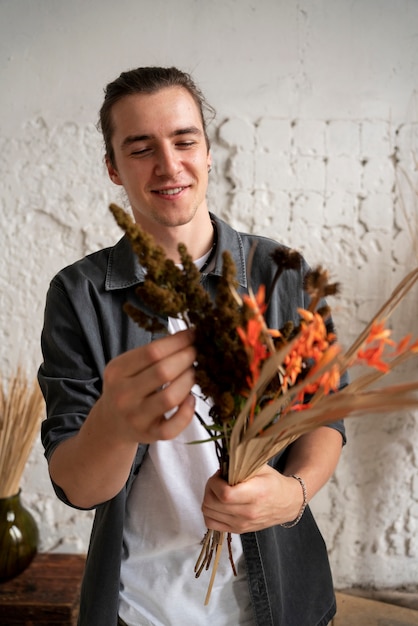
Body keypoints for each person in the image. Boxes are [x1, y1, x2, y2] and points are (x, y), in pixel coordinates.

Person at [38, 66, 346, 626]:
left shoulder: (281, 274)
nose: (169, 164)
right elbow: (76, 486)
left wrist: (293, 493)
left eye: (184, 140)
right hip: (138, 608)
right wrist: (114, 422)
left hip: (282, 605)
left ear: (207, 151)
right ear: (112, 168)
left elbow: (327, 412)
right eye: (140, 148)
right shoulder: (77, 296)